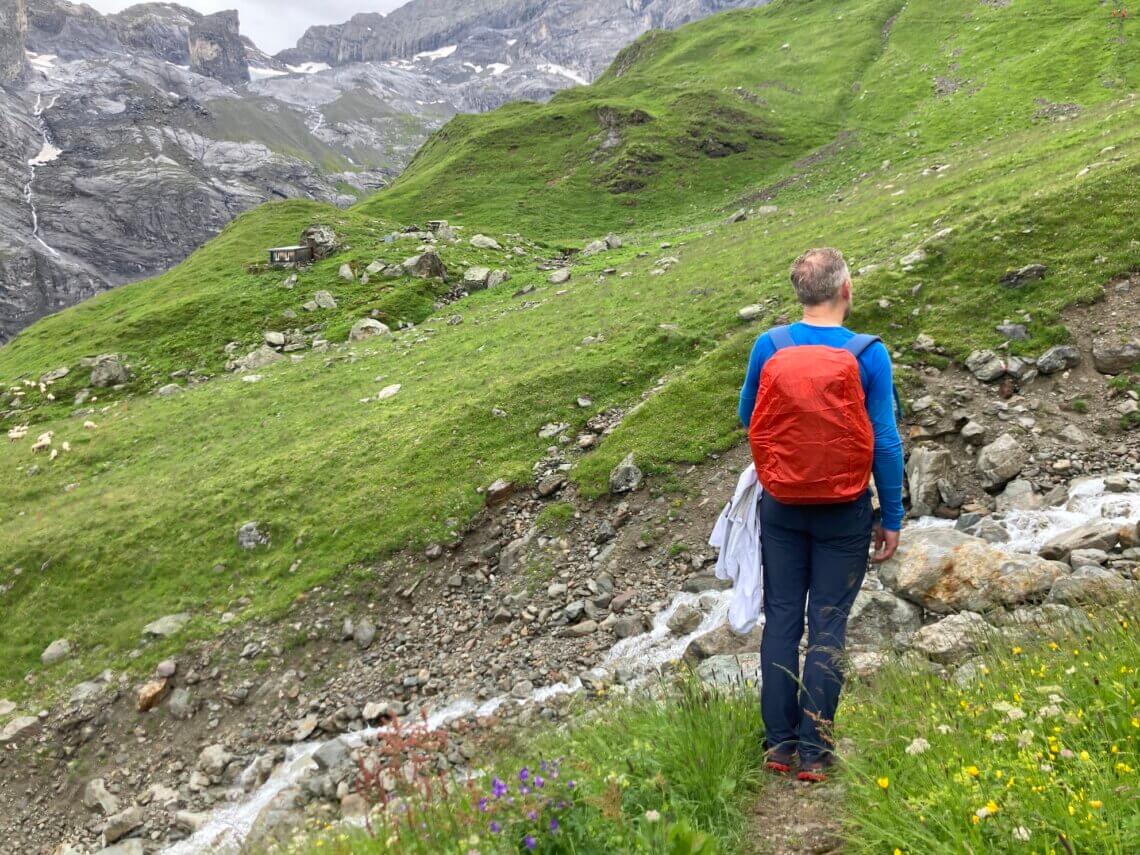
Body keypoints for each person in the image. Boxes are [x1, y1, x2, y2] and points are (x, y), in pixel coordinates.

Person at [738, 247, 904, 782]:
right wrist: (892, 514)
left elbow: (748, 416)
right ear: (846, 291)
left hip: (782, 505)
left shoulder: (770, 345)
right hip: (845, 509)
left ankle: (779, 747)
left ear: (799, 295)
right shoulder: (868, 353)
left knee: (782, 620)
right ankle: (816, 752)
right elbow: (884, 441)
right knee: (828, 624)